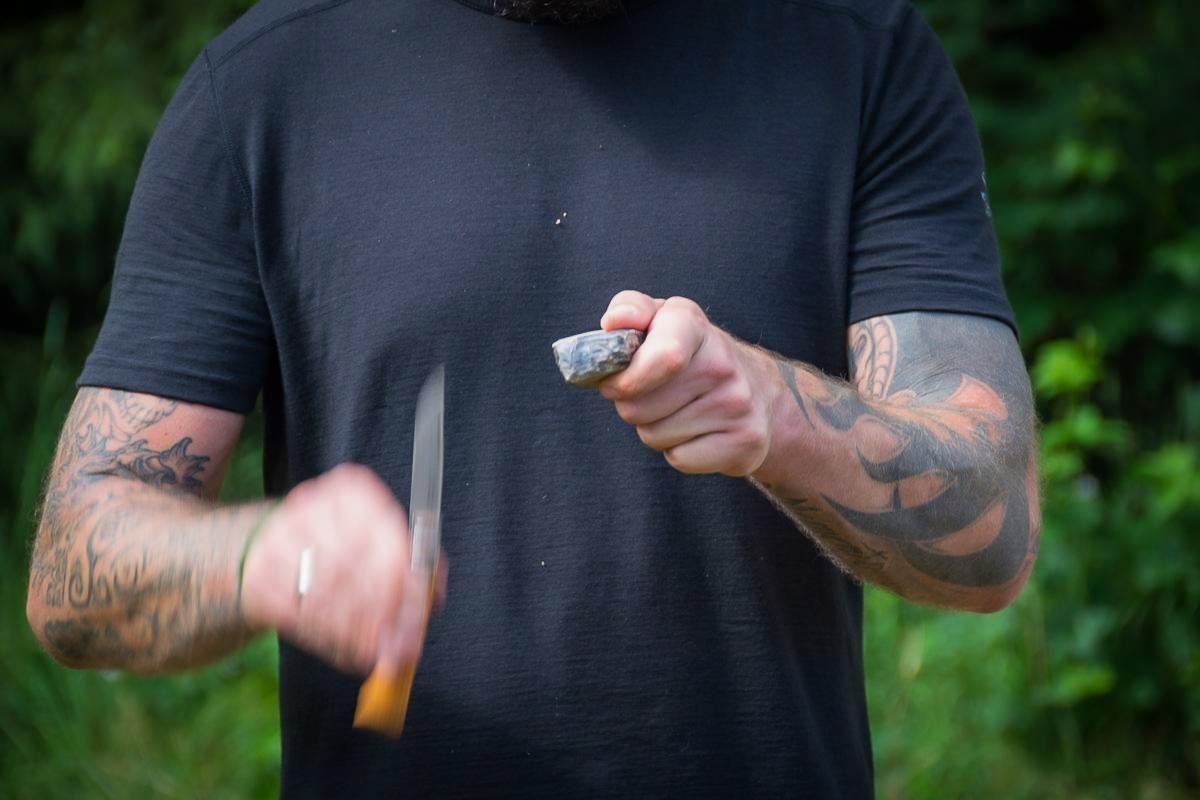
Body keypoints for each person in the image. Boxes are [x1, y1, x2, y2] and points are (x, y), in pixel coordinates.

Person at [26, 0, 1041, 796]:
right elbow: (75, 564)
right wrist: (262, 558)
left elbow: (993, 529)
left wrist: (777, 415)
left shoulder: (856, 50)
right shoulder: (264, 83)